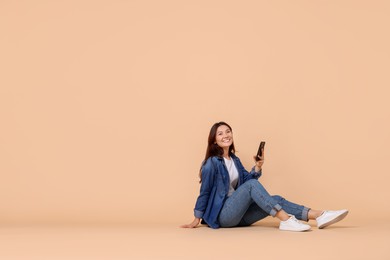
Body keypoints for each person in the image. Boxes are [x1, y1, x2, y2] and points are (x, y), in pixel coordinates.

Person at [181, 121, 348, 232]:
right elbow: (205, 191)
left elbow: (245, 182)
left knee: (275, 199)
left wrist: (258, 167)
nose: (226, 135)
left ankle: (319, 215)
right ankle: (285, 219)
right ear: (214, 140)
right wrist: (196, 218)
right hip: (223, 216)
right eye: (220, 133)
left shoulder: (234, 160)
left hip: (239, 215)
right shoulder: (212, 163)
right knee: (253, 185)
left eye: (228, 131)